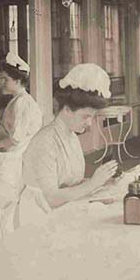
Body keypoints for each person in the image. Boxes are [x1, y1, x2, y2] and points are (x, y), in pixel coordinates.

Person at [22, 63, 118, 209]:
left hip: (66, 210)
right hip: (41, 216)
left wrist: (101, 182)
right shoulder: (45, 142)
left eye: (92, 117)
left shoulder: (71, 136)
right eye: (85, 116)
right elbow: (50, 198)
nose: (90, 123)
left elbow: (72, 184)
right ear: (66, 110)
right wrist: (93, 184)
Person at [0, 51, 43, 152]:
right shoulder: (18, 99)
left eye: (5, 79)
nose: (1, 83)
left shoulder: (22, 102)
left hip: (20, 152)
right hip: (15, 149)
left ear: (17, 81)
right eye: (1, 79)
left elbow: (16, 139)